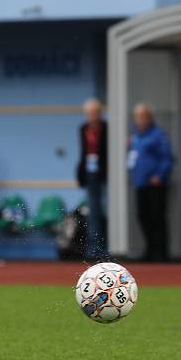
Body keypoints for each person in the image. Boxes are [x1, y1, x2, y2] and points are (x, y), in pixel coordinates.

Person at [128, 103, 174, 261]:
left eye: (143, 117)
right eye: (138, 117)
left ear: (149, 118)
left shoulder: (158, 135)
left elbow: (167, 158)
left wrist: (159, 176)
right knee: (143, 216)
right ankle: (150, 249)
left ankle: (161, 252)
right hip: (140, 183)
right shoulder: (135, 137)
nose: (140, 120)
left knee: (157, 217)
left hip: (155, 184)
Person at [76, 98, 108, 259]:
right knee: (92, 213)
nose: (91, 116)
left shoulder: (107, 129)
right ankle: (93, 249)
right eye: (89, 114)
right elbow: (83, 153)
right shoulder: (83, 129)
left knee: (105, 211)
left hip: (104, 174)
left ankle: (105, 248)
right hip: (90, 174)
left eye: (94, 113)